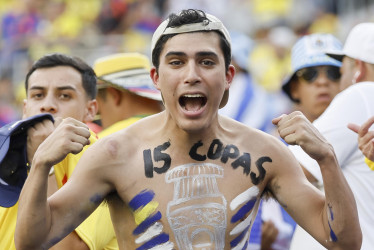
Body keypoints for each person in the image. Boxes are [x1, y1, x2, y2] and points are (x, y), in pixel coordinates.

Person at [15, 9, 361, 250]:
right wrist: (42, 163)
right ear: (156, 78)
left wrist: (327, 159)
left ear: (228, 77)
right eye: (177, 62)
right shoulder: (114, 153)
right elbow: (32, 241)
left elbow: (343, 242)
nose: (191, 74)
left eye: (206, 62)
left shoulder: (264, 153)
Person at [0, 53, 118, 250]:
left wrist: (45, 164)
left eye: (65, 95)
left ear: (90, 109)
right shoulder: (6, 152)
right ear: (26, 108)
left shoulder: (105, 160)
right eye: (38, 95)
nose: (47, 104)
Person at [287, 22, 374, 249]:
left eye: (337, 71)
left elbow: (286, 173)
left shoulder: (362, 93)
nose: (323, 81)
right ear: (294, 88)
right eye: (310, 74)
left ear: (359, 70)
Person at [93, 52, 163, 138]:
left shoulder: (102, 142)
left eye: (99, 111)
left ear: (115, 95)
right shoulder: (180, 129)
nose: (101, 119)